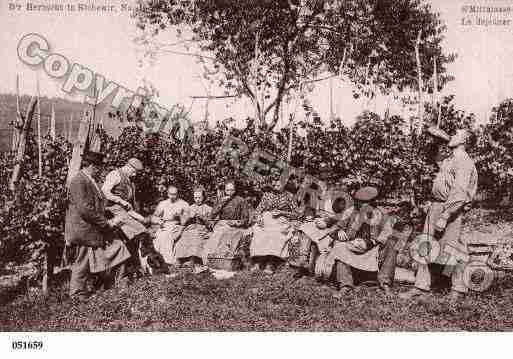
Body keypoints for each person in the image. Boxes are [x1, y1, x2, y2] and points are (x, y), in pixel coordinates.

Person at [400, 128, 478, 303]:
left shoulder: (464, 161)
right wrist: (440, 139)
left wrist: (445, 215)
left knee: (455, 248)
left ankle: (458, 290)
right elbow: (435, 159)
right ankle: (421, 286)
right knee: (426, 244)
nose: (453, 134)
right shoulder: (451, 159)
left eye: (457, 134)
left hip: (450, 209)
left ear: (465, 140)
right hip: (437, 206)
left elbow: (459, 193)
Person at [65, 151, 131, 300]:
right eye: (99, 167)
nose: (100, 170)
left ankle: (114, 282)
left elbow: (95, 206)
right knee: (82, 261)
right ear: (92, 166)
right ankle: (77, 294)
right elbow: (85, 209)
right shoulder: (79, 181)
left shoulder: (89, 179)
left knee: (118, 248)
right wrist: (106, 223)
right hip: (84, 229)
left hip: (92, 227)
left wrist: (110, 217)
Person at [324, 186, 407, 298]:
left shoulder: (382, 215)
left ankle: (385, 284)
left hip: (373, 251)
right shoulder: (351, 212)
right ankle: (345, 286)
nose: (361, 206)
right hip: (352, 249)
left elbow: (387, 233)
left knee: (392, 244)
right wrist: (338, 232)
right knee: (340, 246)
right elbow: (333, 229)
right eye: (360, 203)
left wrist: (370, 242)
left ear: (373, 203)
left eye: (365, 203)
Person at [102, 158, 149, 275]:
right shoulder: (115, 174)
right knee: (137, 234)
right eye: (134, 172)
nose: (135, 175)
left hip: (124, 212)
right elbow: (104, 191)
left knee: (140, 233)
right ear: (128, 167)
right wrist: (120, 201)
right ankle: (132, 268)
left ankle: (134, 268)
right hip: (112, 211)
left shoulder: (130, 181)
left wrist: (142, 219)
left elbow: (129, 208)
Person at [250, 175, 302, 274]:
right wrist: (259, 217)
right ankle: (258, 261)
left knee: (275, 234)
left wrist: (282, 213)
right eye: (274, 183)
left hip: (281, 221)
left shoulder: (289, 196)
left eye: (278, 183)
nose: (276, 185)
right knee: (258, 231)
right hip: (266, 219)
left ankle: (271, 262)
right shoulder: (267, 195)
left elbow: (297, 214)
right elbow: (258, 210)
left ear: (284, 184)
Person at [203, 180, 250, 268]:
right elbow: (212, 215)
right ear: (224, 190)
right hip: (221, 224)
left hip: (235, 226)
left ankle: (224, 262)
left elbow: (246, 219)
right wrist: (221, 203)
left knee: (227, 236)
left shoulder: (241, 200)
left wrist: (236, 222)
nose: (230, 192)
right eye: (228, 190)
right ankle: (210, 261)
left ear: (235, 190)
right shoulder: (221, 199)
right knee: (216, 236)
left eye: (232, 190)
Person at [174, 186, 212, 269]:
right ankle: (180, 259)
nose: (197, 199)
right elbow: (183, 222)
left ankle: (193, 259)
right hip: (190, 228)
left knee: (195, 236)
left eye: (199, 197)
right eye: (195, 198)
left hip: (202, 229)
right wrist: (189, 217)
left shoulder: (208, 209)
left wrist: (202, 218)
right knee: (184, 236)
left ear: (204, 197)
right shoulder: (189, 208)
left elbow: (211, 224)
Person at [151, 185, 189, 265]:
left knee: (166, 235)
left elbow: (185, 221)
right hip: (164, 225)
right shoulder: (163, 204)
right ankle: (158, 260)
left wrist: (179, 216)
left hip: (176, 225)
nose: (172, 196)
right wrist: (158, 221)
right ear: (167, 194)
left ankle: (168, 260)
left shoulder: (183, 204)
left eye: (174, 194)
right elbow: (153, 217)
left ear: (177, 194)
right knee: (158, 236)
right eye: (171, 194)